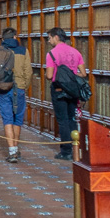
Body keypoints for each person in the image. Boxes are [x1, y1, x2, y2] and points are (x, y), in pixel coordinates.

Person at [0, 28, 31, 163]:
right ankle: (15, 147)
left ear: (3, 38)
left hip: (3, 87)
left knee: (7, 118)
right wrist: (23, 86)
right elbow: (29, 71)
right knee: (18, 118)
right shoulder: (23, 50)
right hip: (19, 88)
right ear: (15, 37)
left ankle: (12, 151)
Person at [45, 27, 87, 160]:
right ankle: (75, 149)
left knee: (62, 120)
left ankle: (66, 151)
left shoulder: (51, 54)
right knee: (72, 118)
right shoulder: (75, 52)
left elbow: (49, 75)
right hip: (73, 90)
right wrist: (71, 76)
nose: (49, 40)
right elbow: (83, 74)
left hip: (58, 90)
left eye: (50, 38)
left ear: (56, 37)